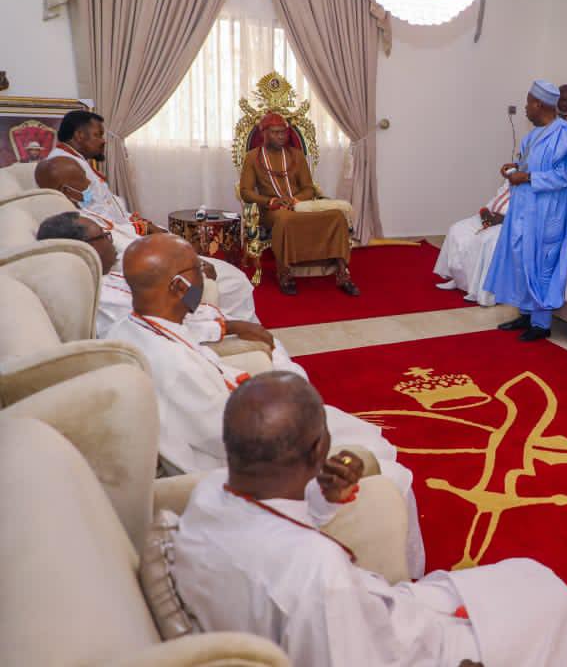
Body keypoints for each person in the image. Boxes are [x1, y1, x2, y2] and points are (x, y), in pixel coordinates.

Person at [171, 372, 567, 667]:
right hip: (405, 644)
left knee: (524, 578)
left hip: (368, 611)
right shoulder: (317, 572)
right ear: (319, 449)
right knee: (555, 605)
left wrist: (323, 498)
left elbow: (273, 526)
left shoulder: (209, 493)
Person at [104, 234, 424, 575]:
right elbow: (227, 438)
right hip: (249, 462)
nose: (204, 272)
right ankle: (397, 577)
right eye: (197, 268)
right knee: (391, 473)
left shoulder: (133, 327)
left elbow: (190, 337)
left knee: (369, 437)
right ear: (179, 286)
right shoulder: (174, 368)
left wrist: (229, 328)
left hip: (243, 414)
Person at [36, 119, 258, 323]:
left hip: (140, 246)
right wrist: (188, 262)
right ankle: (238, 334)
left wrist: (144, 226)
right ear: (79, 135)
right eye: (98, 135)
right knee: (235, 282)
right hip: (147, 260)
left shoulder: (75, 174)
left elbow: (111, 218)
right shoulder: (87, 228)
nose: (103, 141)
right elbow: (118, 239)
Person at [33, 212, 301, 373]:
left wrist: (202, 301)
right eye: (103, 236)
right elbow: (162, 328)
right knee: (275, 351)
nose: (110, 240)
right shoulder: (101, 298)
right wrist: (228, 326)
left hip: (198, 321)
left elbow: (185, 306)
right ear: (81, 250)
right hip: (189, 344)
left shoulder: (108, 275)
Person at [486, 80, 567, 342]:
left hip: (547, 213)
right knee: (520, 260)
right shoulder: (533, 134)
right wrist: (515, 166)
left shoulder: (563, 133)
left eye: (528, 102)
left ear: (539, 104)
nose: (526, 108)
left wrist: (527, 178)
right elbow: (529, 164)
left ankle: (541, 324)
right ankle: (525, 313)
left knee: (541, 264)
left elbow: (565, 175)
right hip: (524, 210)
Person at [239, 112, 358, 297]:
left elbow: (309, 188)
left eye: (284, 133)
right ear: (264, 134)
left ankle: (342, 274)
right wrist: (271, 201)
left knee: (337, 216)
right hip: (272, 210)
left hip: (300, 205)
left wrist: (296, 200)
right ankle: (285, 274)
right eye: (276, 132)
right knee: (285, 219)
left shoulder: (296, 155)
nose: (281, 136)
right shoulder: (253, 157)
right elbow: (246, 192)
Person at [432, 179, 511, 305]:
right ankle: (459, 280)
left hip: (509, 223)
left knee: (486, 239)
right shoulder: (509, 179)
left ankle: (480, 291)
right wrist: (486, 214)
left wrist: (500, 219)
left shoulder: (529, 183)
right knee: (457, 229)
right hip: (492, 217)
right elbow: (493, 202)